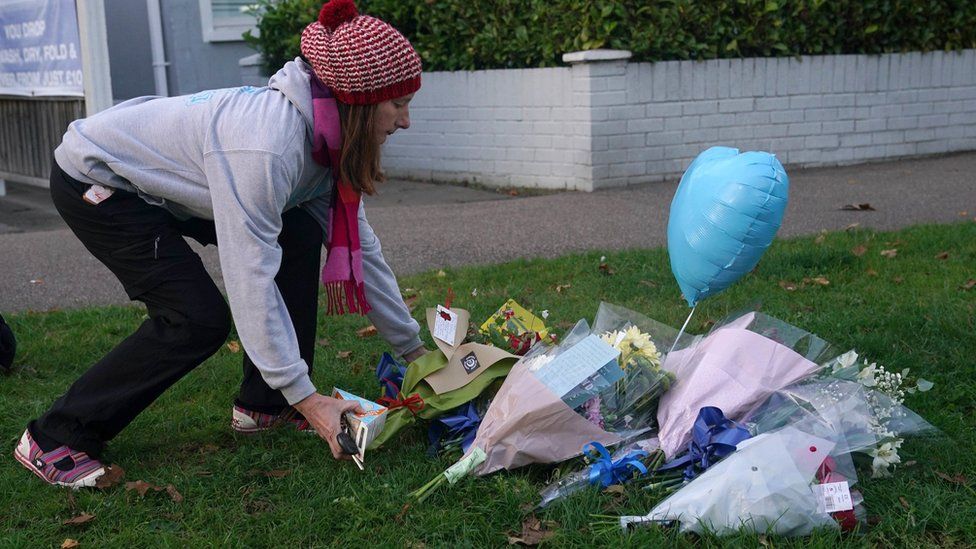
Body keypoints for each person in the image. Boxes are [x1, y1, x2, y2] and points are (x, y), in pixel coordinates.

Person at [14, 0, 427, 488]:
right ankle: (55, 435)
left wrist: (417, 355)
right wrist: (309, 397)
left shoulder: (326, 144)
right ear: (356, 102)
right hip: (99, 180)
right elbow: (249, 275)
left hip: (176, 185)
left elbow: (365, 253)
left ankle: (263, 406)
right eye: (397, 104)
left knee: (299, 231)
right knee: (195, 318)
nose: (405, 121)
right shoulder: (268, 149)